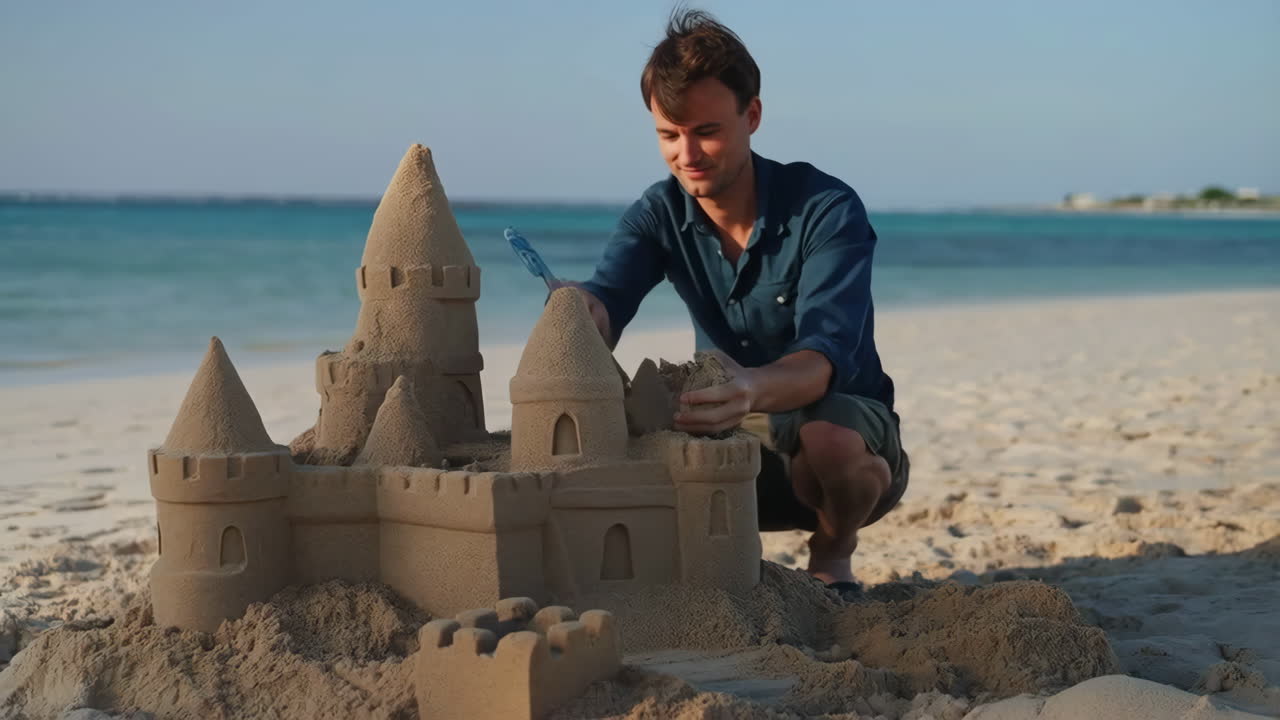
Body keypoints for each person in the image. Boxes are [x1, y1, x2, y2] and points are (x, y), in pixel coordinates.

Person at [557, 9, 908, 592]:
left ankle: (833, 550)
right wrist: (582, 312)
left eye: (706, 131)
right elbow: (609, 299)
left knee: (831, 438)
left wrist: (747, 386)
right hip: (731, 433)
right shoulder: (658, 211)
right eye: (669, 135)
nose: (686, 154)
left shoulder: (826, 208)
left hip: (842, 432)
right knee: (615, 426)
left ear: (752, 116)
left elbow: (824, 356)